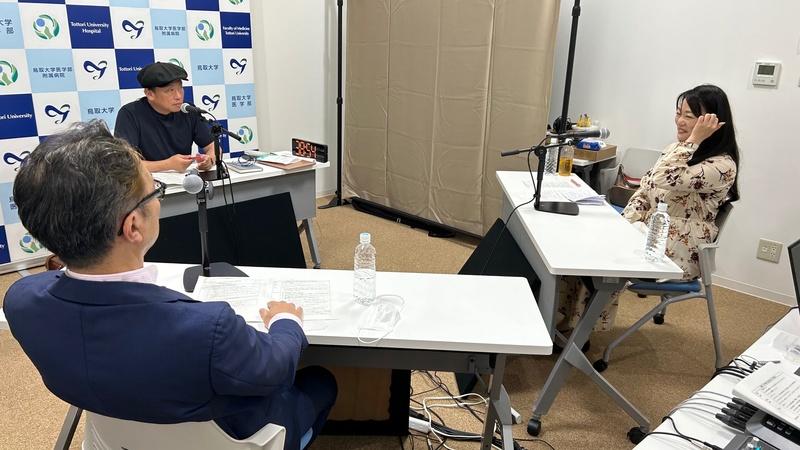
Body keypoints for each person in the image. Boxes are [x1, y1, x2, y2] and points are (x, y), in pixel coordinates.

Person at [4, 120, 337, 449]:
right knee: (321, 381)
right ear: (133, 226)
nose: (159, 200)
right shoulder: (208, 329)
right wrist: (286, 320)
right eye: (155, 190)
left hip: (111, 435)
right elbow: (275, 370)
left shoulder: (20, 301)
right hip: (240, 435)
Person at [557, 84, 740, 332]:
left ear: (712, 123)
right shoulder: (678, 149)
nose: (680, 121)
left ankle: (579, 330)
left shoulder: (722, 166)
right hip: (648, 232)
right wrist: (623, 224)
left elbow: (665, 177)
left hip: (676, 249)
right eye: (679, 113)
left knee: (598, 257)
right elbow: (647, 188)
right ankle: (566, 319)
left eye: (689, 116)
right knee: (584, 242)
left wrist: (694, 140)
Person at [114, 61, 216, 173]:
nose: (178, 96)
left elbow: (212, 146)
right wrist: (168, 165)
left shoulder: (188, 110)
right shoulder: (129, 114)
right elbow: (124, 163)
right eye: (170, 90)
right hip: (146, 181)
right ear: (150, 94)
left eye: (180, 88)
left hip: (183, 180)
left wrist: (209, 159)